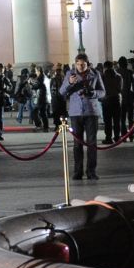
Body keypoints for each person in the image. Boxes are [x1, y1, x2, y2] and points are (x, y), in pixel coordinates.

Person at [59, 53, 104, 181]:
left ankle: (91, 171)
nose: (80, 67)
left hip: (91, 112)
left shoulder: (95, 74)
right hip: (75, 112)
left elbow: (103, 92)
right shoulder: (70, 74)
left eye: (83, 65)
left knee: (92, 143)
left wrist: (93, 92)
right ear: (75, 64)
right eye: (78, 64)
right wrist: (69, 82)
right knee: (77, 144)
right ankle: (77, 172)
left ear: (87, 64)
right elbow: (62, 91)